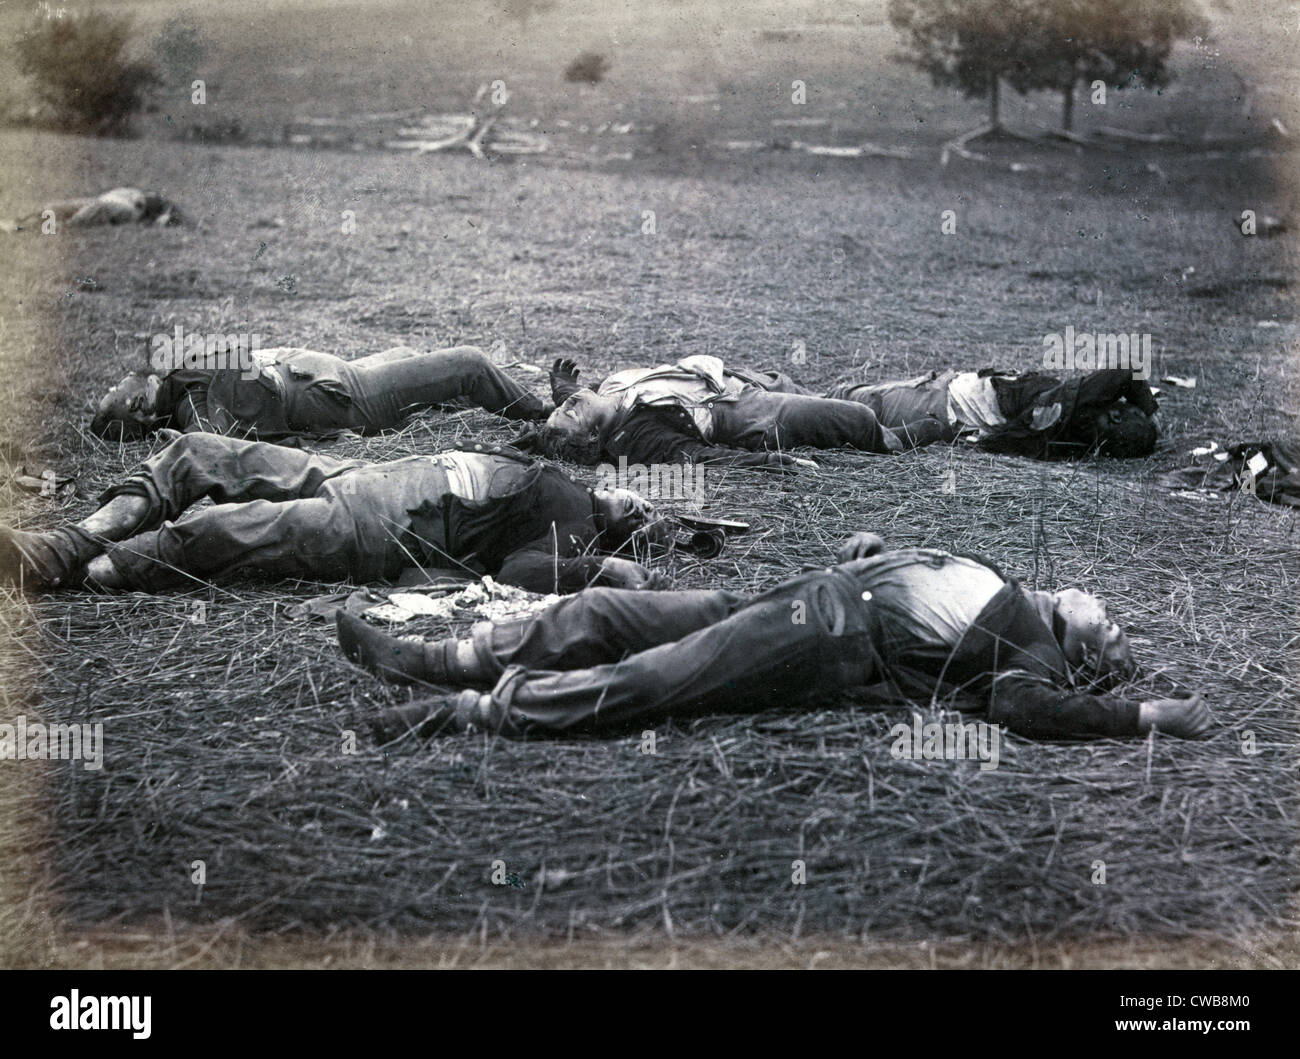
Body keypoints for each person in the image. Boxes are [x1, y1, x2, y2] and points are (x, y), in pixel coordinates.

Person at [339, 532, 1211, 743]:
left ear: (1087, 651)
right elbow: (924, 580)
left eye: (1116, 626)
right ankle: (437, 655)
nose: (1108, 604)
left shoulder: (1037, 650)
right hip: (809, 593)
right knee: (609, 615)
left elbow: (1030, 707)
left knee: (662, 676)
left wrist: (1142, 715)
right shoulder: (1009, 582)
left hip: (830, 634)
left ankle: (469, 711)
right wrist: (877, 545)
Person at [0, 435, 669, 595]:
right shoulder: (567, 479)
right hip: (368, 477)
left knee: (218, 531)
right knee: (198, 452)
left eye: (641, 515)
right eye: (642, 496)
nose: (638, 502)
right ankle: (76, 536)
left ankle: (81, 566)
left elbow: (520, 570)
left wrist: (602, 567)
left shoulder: (576, 532)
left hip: (382, 528)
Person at [531, 355, 949, 469]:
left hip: (743, 378)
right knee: (854, 418)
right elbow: (698, 459)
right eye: (569, 412)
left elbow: (577, 398)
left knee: (837, 394)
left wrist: (566, 390)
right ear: (591, 438)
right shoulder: (635, 436)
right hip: (749, 411)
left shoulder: (607, 391)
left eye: (562, 405)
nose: (566, 404)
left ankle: (909, 404)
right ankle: (911, 436)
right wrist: (769, 462)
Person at [90, 345, 549, 441]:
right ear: (138, 405)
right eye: (114, 391)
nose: (118, 381)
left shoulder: (180, 384)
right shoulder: (189, 403)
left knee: (408, 352)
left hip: (332, 374)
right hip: (344, 394)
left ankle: (471, 395)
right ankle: (545, 414)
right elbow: (215, 441)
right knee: (467, 363)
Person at [825, 367, 1159, 460]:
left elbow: (1126, 372)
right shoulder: (1076, 443)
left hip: (939, 402)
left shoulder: (1077, 404)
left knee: (843, 404)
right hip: (944, 408)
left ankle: (776, 392)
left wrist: (1151, 414)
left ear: (1115, 416)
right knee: (845, 404)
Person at [2, 187, 181, 231]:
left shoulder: (136, 213)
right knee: (53, 207)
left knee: (67, 224)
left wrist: (164, 214)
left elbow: (168, 209)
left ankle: (22, 229)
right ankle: (17, 222)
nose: (152, 195)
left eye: (155, 198)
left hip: (102, 208)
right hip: (95, 201)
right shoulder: (131, 193)